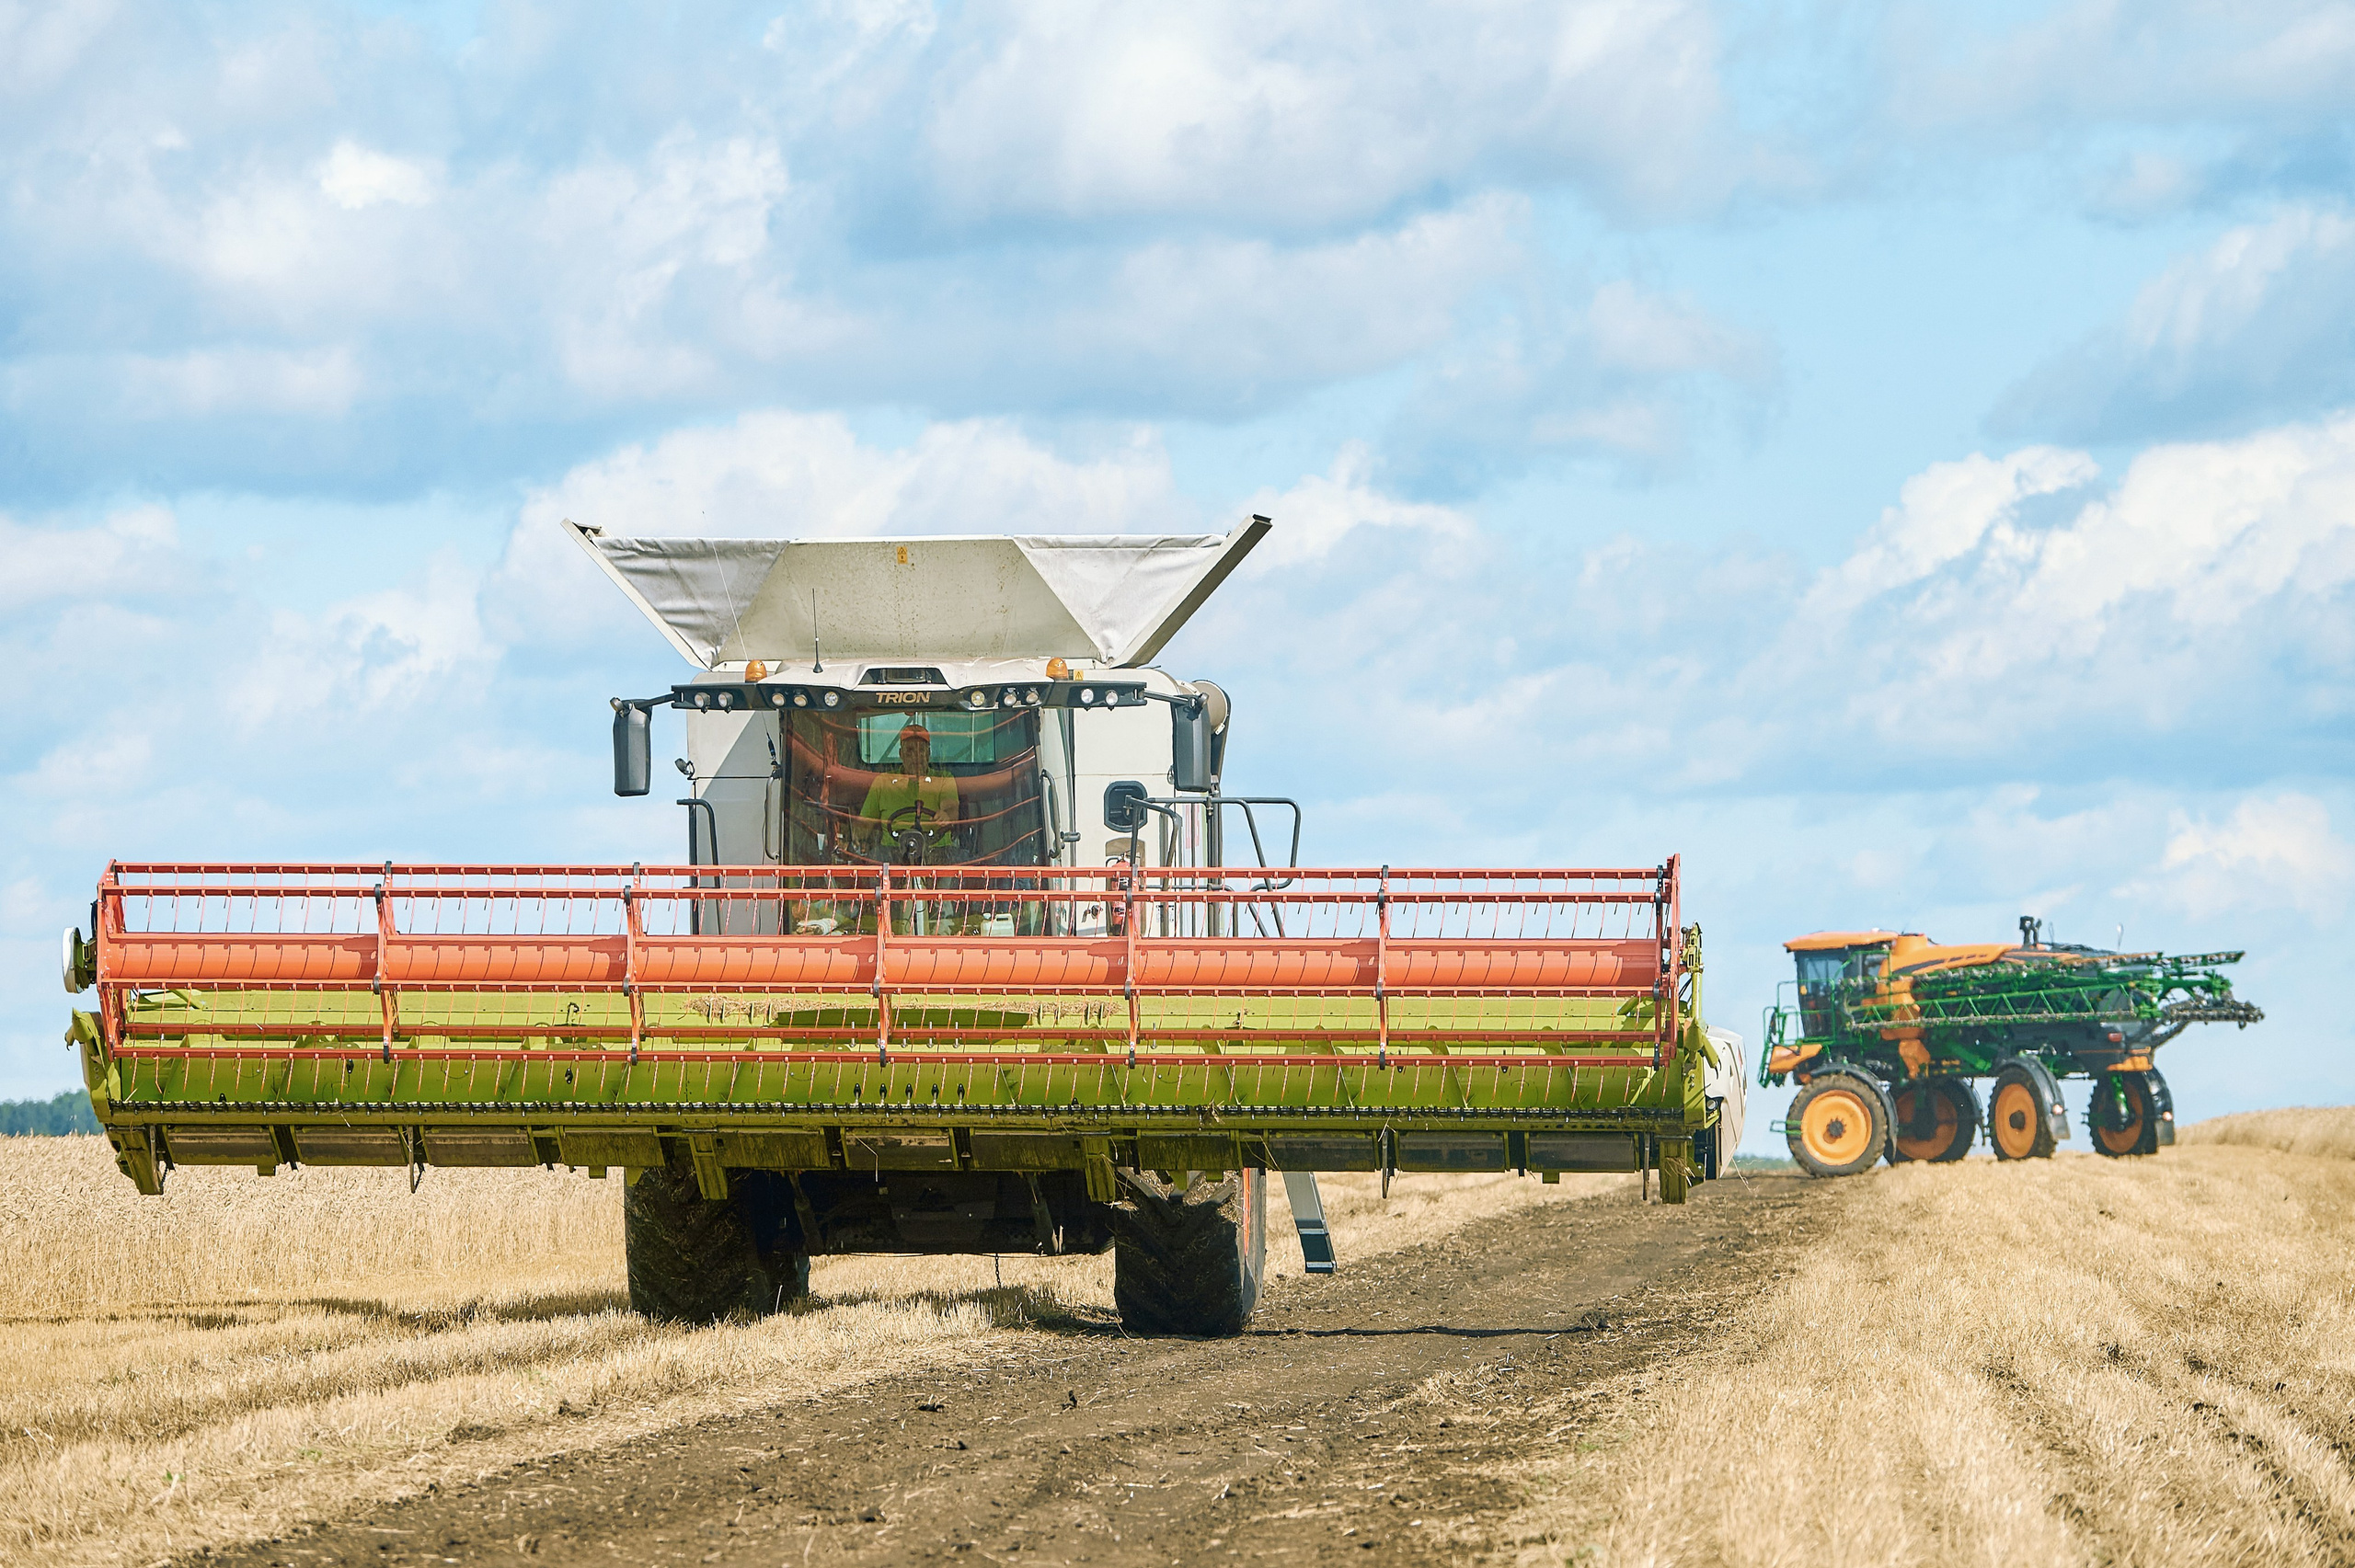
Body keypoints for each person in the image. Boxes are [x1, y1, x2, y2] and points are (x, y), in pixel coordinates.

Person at [859, 722, 959, 860]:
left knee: (955, 862)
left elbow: (951, 809)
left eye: (921, 750)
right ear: (901, 754)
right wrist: (852, 836)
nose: (916, 756)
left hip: (936, 851)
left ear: (928, 753)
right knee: (873, 860)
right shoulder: (883, 782)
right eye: (910, 751)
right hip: (892, 853)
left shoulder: (943, 779)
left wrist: (945, 816)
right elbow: (864, 824)